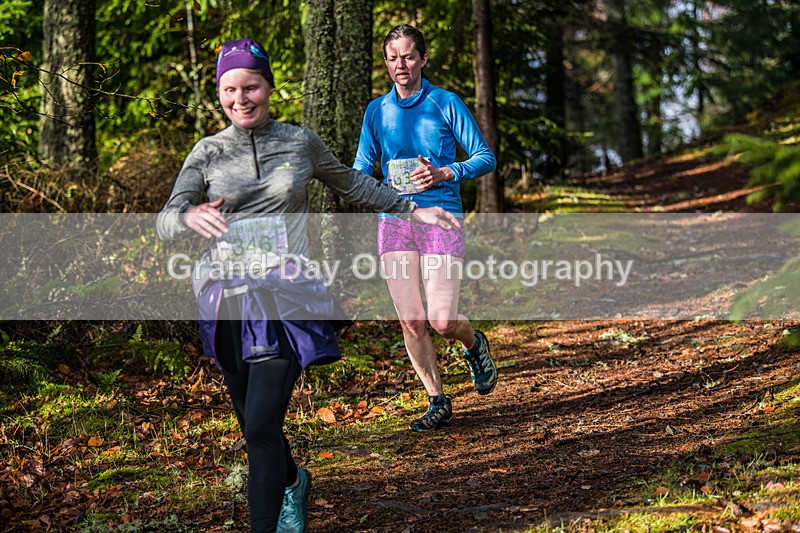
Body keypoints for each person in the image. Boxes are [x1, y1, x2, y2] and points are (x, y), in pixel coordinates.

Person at [156, 38, 460, 533]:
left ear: (269, 88)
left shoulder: (299, 142)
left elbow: (353, 183)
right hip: (226, 299)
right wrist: (187, 216)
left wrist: (412, 208)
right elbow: (165, 221)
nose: (240, 98)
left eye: (250, 86)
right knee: (258, 425)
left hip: (286, 296)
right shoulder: (207, 153)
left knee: (258, 426)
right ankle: (293, 481)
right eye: (229, 89)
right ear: (219, 93)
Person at [353, 24, 499, 432]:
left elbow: (484, 157)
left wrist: (445, 172)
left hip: (442, 220)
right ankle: (437, 398)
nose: (402, 64)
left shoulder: (445, 102)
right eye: (393, 57)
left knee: (440, 320)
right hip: (395, 222)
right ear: (386, 63)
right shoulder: (376, 111)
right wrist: (361, 177)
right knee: (412, 321)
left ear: (423, 59)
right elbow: (362, 165)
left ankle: (474, 343)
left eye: (409, 56)